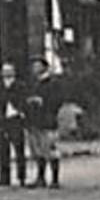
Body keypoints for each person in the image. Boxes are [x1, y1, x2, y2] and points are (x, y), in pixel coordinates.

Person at [27, 58, 63, 189]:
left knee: (51, 150)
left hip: (48, 120)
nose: (35, 69)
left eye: (37, 66)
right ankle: (40, 177)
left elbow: (58, 100)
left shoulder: (53, 83)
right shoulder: (33, 83)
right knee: (38, 150)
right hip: (35, 120)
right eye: (33, 66)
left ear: (45, 67)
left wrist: (44, 102)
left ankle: (55, 179)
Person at [0, 63, 29, 187]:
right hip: (3, 119)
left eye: (9, 70)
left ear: (14, 72)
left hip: (16, 118)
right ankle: (4, 177)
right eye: (4, 71)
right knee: (3, 149)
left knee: (19, 148)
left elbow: (24, 100)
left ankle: (21, 177)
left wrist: (21, 111)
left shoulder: (20, 86)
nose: (7, 73)